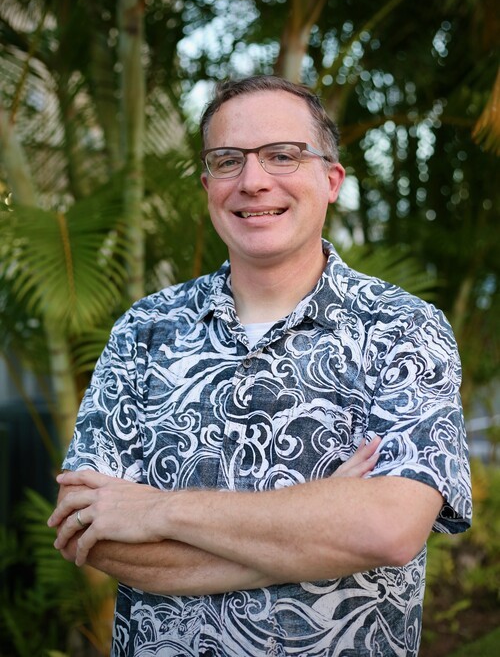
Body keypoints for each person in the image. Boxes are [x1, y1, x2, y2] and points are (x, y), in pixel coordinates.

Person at [48, 75, 472, 657]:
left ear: (331, 181)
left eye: (282, 155)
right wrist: (321, 521)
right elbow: (88, 530)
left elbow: (390, 530)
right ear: (208, 186)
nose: (252, 181)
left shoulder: (403, 328)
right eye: (228, 161)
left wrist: (156, 510)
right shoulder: (144, 330)